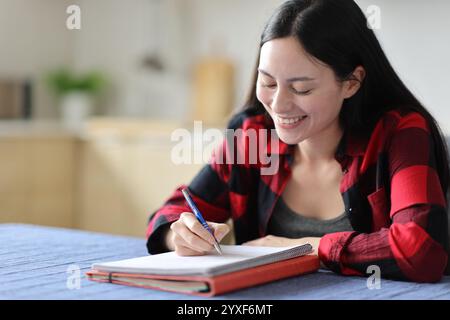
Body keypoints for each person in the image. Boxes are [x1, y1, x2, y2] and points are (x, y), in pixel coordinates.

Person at [146, 0, 450, 283]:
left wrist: (307, 247)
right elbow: (171, 211)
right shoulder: (252, 135)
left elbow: (421, 250)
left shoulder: (400, 132)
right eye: (267, 82)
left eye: (301, 89)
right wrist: (179, 235)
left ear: (351, 82)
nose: (278, 104)